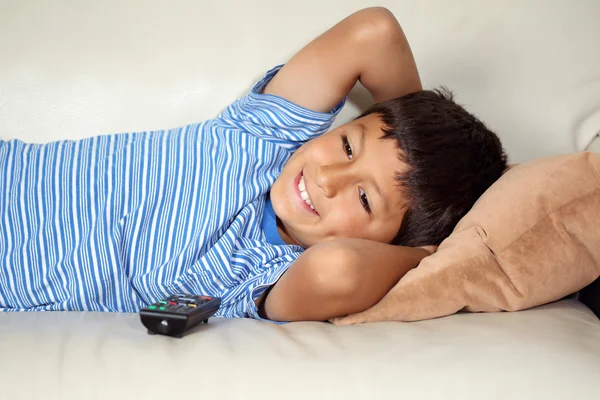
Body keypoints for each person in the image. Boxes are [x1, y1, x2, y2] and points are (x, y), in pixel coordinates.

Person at [0, 7, 507, 322]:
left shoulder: (266, 273)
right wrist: (417, 132)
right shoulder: (264, 138)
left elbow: (339, 271)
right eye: (348, 147)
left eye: (364, 199)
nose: (327, 179)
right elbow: (373, 32)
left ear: (387, 242)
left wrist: (433, 252)